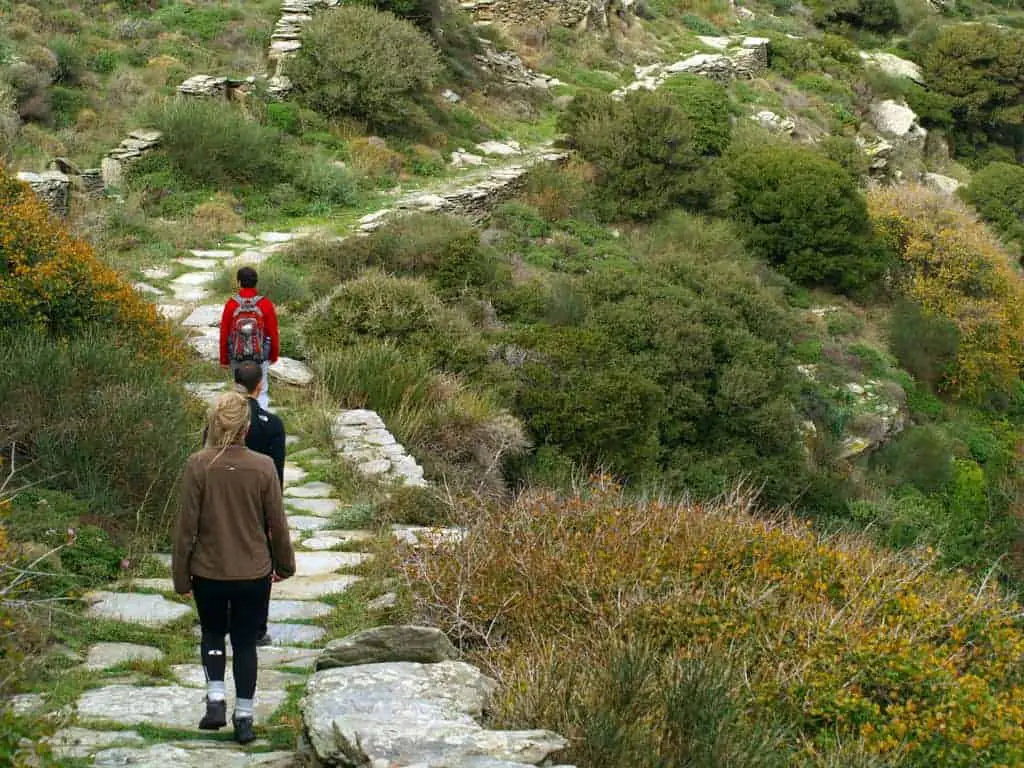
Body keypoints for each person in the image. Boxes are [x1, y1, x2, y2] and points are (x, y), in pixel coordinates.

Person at [172, 391, 295, 744]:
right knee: (244, 643)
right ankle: (244, 716)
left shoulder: (198, 464)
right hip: (253, 572)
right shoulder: (263, 466)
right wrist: (284, 564)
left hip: (208, 570)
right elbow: (277, 523)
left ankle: (215, 698)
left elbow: (186, 527)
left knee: (212, 633)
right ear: (246, 427)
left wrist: (181, 576)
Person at [219, 267, 279, 411]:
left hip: (237, 356)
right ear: (256, 282)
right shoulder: (265, 304)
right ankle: (261, 420)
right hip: (260, 355)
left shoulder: (231, 304)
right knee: (262, 390)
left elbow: (224, 333)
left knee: (240, 392)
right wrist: (273, 355)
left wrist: (224, 359)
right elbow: (273, 332)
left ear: (239, 282)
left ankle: (241, 425)